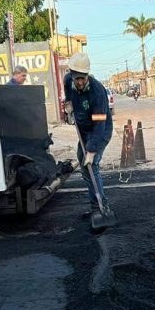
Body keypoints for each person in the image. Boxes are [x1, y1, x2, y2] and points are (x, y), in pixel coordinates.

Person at [64, 53, 114, 217]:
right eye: (76, 78)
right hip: (83, 131)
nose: (79, 82)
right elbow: (67, 94)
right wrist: (68, 105)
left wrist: (92, 151)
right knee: (85, 169)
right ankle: (96, 202)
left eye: (82, 78)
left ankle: (100, 208)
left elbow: (100, 125)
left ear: (87, 75)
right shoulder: (67, 81)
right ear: (72, 75)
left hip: (99, 132)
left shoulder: (97, 92)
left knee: (91, 166)